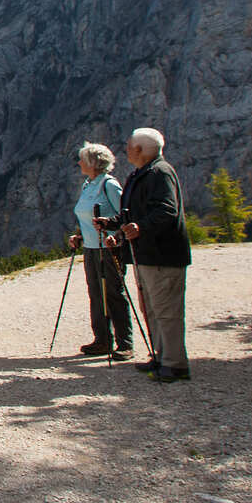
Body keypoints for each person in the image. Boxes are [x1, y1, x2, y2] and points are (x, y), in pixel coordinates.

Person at [107, 126, 192, 383]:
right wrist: (112, 224)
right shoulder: (141, 174)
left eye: (130, 146)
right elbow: (131, 213)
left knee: (166, 309)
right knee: (153, 309)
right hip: (146, 254)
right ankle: (161, 356)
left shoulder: (160, 173)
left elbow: (167, 210)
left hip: (163, 255)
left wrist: (140, 227)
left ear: (142, 150)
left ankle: (175, 364)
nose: (126, 150)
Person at [67, 142, 131, 357]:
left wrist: (115, 236)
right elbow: (87, 217)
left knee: (113, 293)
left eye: (82, 160)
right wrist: (80, 237)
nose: (79, 163)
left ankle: (125, 344)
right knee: (95, 293)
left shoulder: (109, 185)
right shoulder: (88, 184)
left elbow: (125, 216)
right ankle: (102, 339)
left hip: (109, 248)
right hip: (92, 248)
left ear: (93, 163)